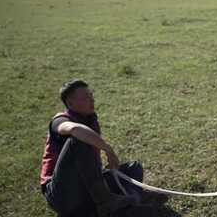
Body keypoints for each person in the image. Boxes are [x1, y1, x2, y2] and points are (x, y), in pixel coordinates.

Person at [40, 79, 155, 217]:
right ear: (70, 103)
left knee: (133, 168)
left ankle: (126, 204)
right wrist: (108, 149)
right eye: (86, 97)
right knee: (78, 140)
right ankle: (110, 203)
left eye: (91, 95)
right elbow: (74, 129)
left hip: (87, 191)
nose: (92, 99)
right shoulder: (60, 120)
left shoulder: (90, 120)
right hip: (62, 194)